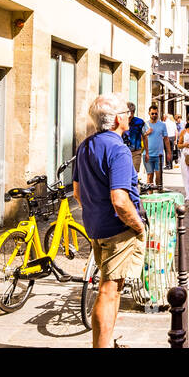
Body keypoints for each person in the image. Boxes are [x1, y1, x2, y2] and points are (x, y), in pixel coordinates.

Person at [72, 92, 146, 348]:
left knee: (112, 287)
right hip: (118, 229)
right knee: (108, 290)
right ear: (116, 119)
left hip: (96, 226)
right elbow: (120, 199)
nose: (129, 116)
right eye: (126, 112)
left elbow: (78, 193)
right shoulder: (119, 150)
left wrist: (95, 212)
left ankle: (107, 341)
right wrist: (138, 226)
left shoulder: (85, 146)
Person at [142, 104, 167, 186]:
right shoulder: (145, 124)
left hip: (159, 155)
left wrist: (169, 152)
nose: (154, 115)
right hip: (148, 154)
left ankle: (158, 193)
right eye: (152, 113)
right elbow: (140, 138)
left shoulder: (162, 125)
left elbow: (166, 139)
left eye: (156, 113)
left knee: (159, 176)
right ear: (149, 113)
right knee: (149, 176)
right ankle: (150, 196)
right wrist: (146, 133)